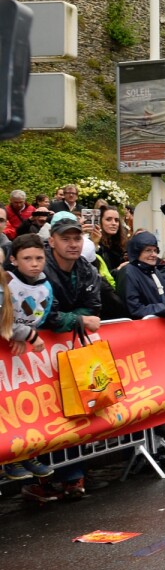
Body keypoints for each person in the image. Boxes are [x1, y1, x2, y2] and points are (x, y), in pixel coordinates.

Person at [24, 212, 104, 502]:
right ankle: (42, 480)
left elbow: (94, 307)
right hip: (35, 354)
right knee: (41, 413)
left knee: (73, 411)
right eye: (65, 238)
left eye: (77, 238)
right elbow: (45, 314)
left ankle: (73, 475)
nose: (72, 244)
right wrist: (78, 320)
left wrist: (74, 319)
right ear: (52, 241)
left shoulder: (86, 268)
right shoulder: (39, 267)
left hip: (70, 351)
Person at [2, 234, 55, 482]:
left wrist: (24, 335)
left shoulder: (45, 284)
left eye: (39, 258)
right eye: (27, 258)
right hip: (12, 346)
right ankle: (10, 457)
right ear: (13, 259)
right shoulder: (5, 282)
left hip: (18, 351)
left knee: (20, 405)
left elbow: (39, 314)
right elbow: (3, 318)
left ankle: (24, 452)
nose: (34, 263)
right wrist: (28, 335)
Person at [116, 233, 165, 321]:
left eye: (155, 250)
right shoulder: (128, 272)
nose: (154, 254)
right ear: (137, 252)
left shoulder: (155, 271)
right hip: (139, 330)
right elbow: (134, 309)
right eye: (148, 250)